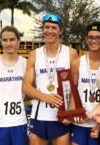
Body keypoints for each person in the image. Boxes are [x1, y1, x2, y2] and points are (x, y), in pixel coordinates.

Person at [22, 13, 78, 145]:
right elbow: (25, 86)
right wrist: (45, 97)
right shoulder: (34, 54)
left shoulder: (71, 53)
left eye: (54, 28)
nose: (50, 31)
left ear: (61, 31)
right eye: (47, 27)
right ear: (43, 29)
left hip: (61, 116)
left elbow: (75, 85)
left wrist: (71, 111)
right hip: (39, 115)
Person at [69, 21, 100, 145]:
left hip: (99, 122)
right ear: (86, 39)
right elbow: (73, 91)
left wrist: (99, 123)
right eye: (91, 37)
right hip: (79, 121)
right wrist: (72, 113)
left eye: (98, 37)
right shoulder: (77, 63)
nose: (94, 41)